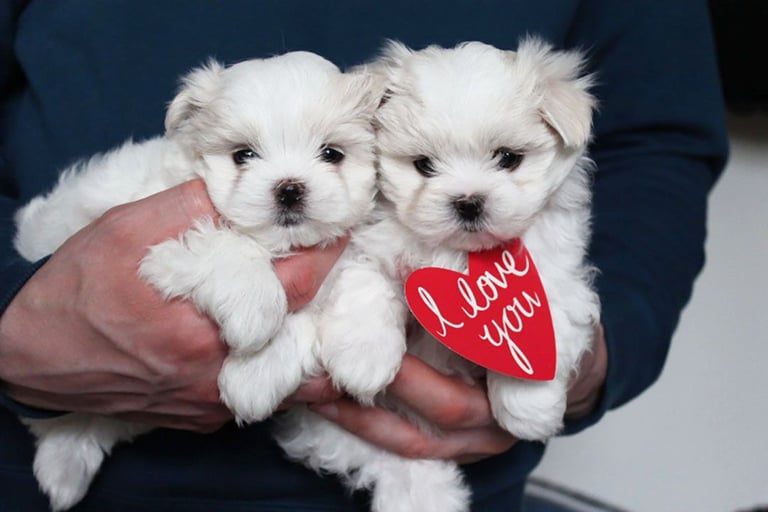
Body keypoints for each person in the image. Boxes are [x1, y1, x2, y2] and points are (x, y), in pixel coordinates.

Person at [0, 1, 727, 511]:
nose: (468, 195)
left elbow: (657, 142)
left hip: (444, 466)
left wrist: (591, 344)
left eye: (507, 160)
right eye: (246, 153)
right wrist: (14, 313)